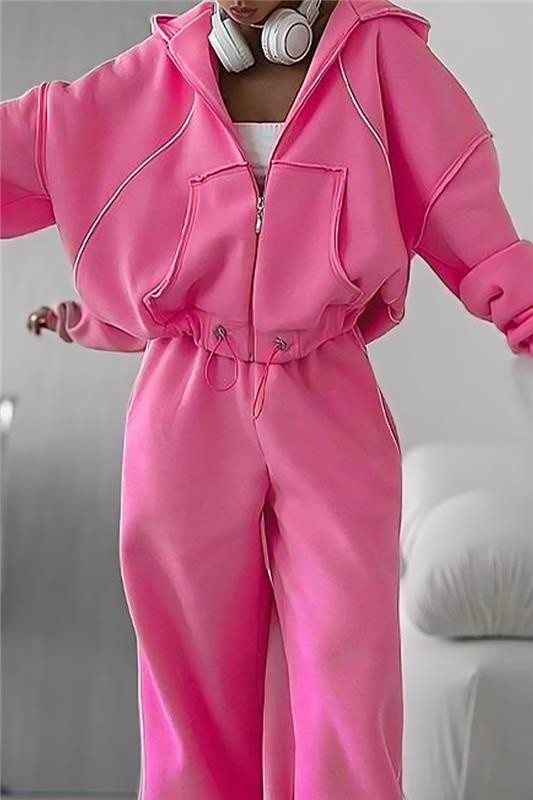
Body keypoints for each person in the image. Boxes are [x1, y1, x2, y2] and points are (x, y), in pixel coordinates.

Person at [3, 1, 533, 798]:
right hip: (185, 402)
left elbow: (473, 224)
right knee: (188, 679)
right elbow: (32, 143)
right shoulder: (156, 74)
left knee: (347, 667)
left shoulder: (383, 61)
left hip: (328, 389)